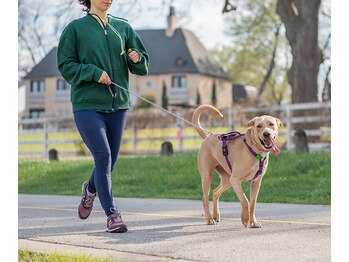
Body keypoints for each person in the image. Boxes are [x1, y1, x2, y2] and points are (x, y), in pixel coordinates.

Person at [57, 0, 149, 233]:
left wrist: (136, 58)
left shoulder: (123, 27)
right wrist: (93, 72)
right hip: (87, 105)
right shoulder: (75, 29)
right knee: (103, 155)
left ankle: (90, 189)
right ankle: (112, 215)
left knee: (110, 161)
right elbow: (66, 65)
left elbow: (142, 66)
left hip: (118, 105)